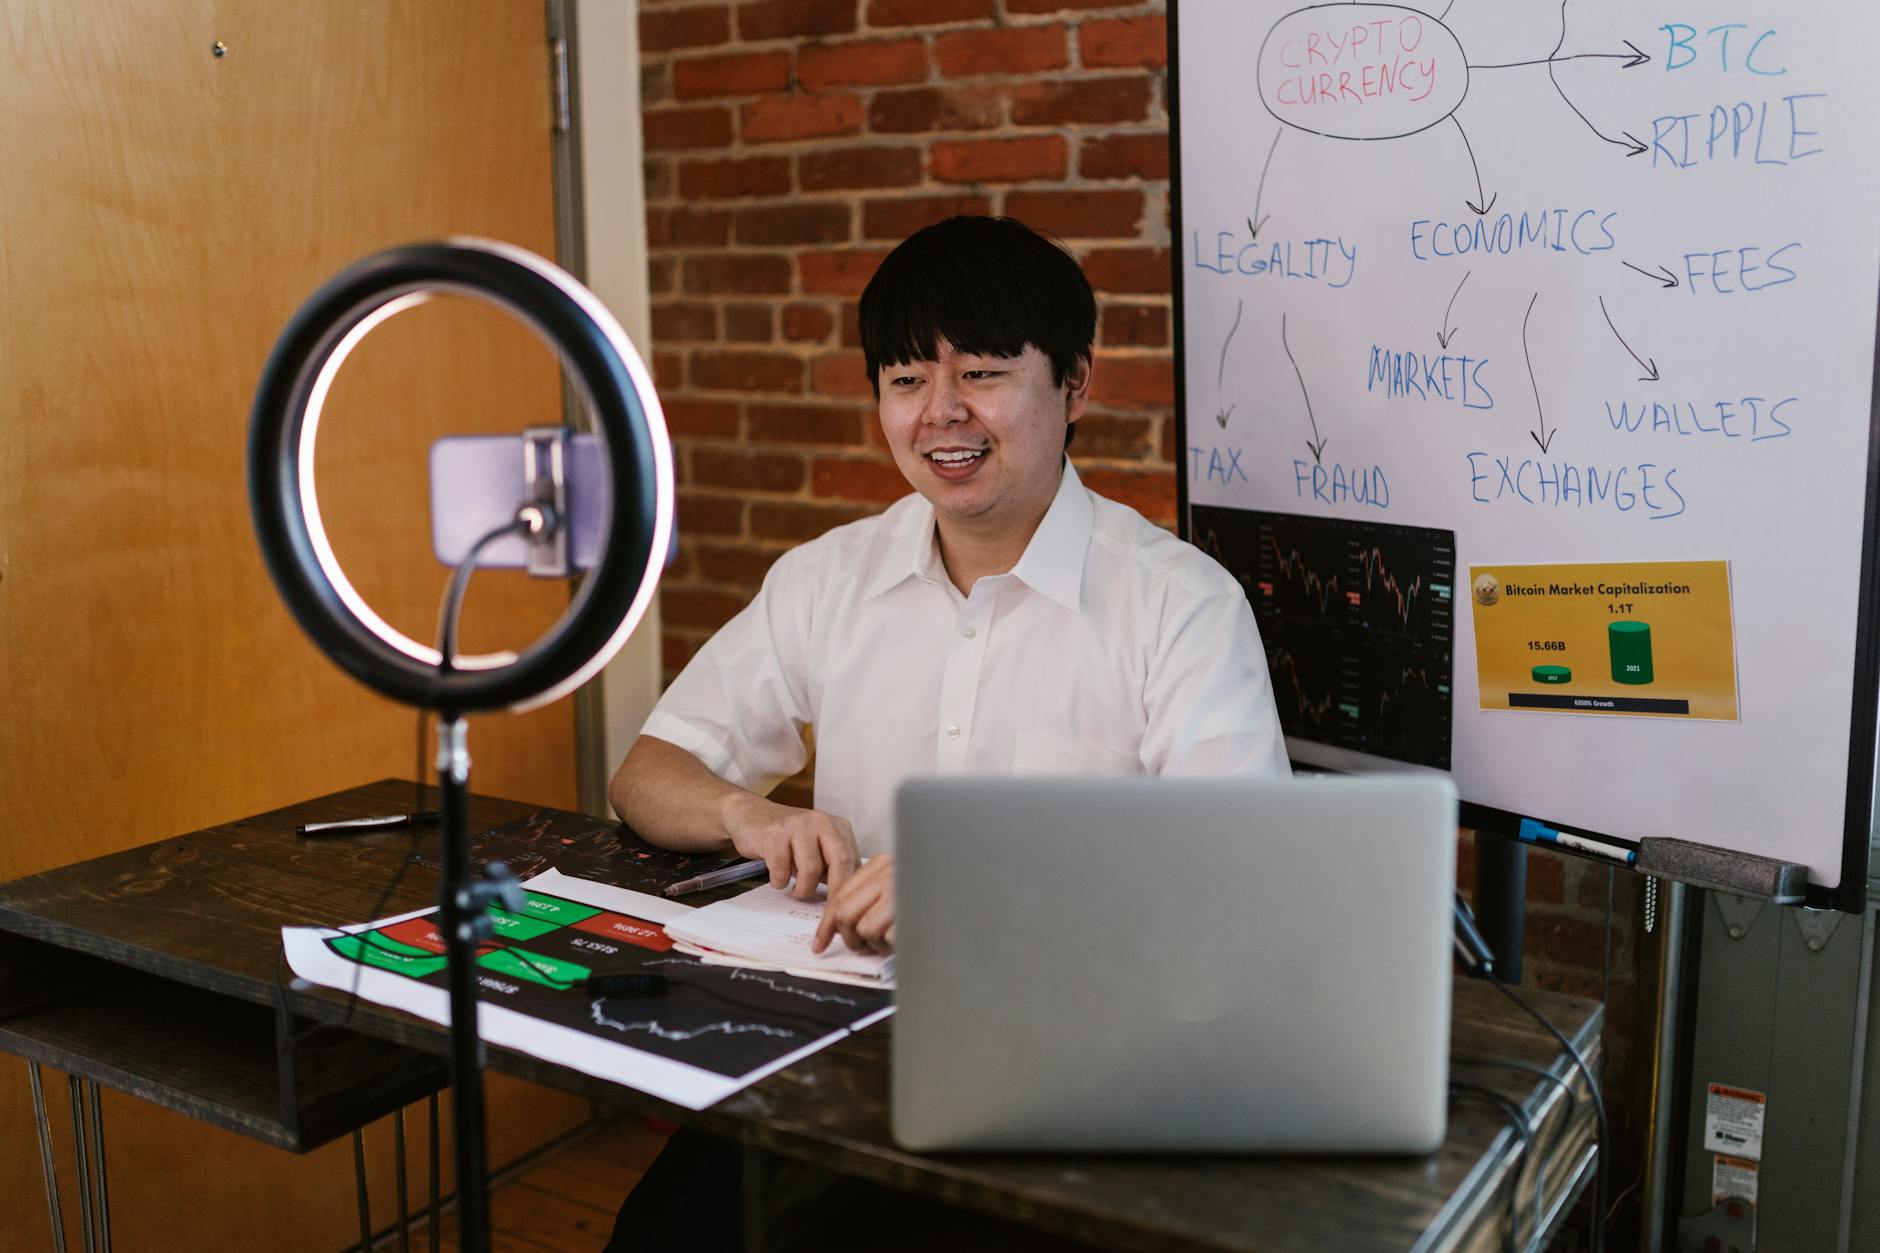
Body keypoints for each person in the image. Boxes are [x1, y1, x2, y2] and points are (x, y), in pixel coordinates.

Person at [604, 215, 1287, 1250]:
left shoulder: (1178, 603)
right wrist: (747, 813)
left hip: (1076, 1068)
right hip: (844, 1043)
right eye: (906, 379)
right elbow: (646, 774)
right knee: (666, 1233)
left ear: (1074, 385)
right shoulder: (828, 576)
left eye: (981, 371)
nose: (941, 414)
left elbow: (1241, 877)